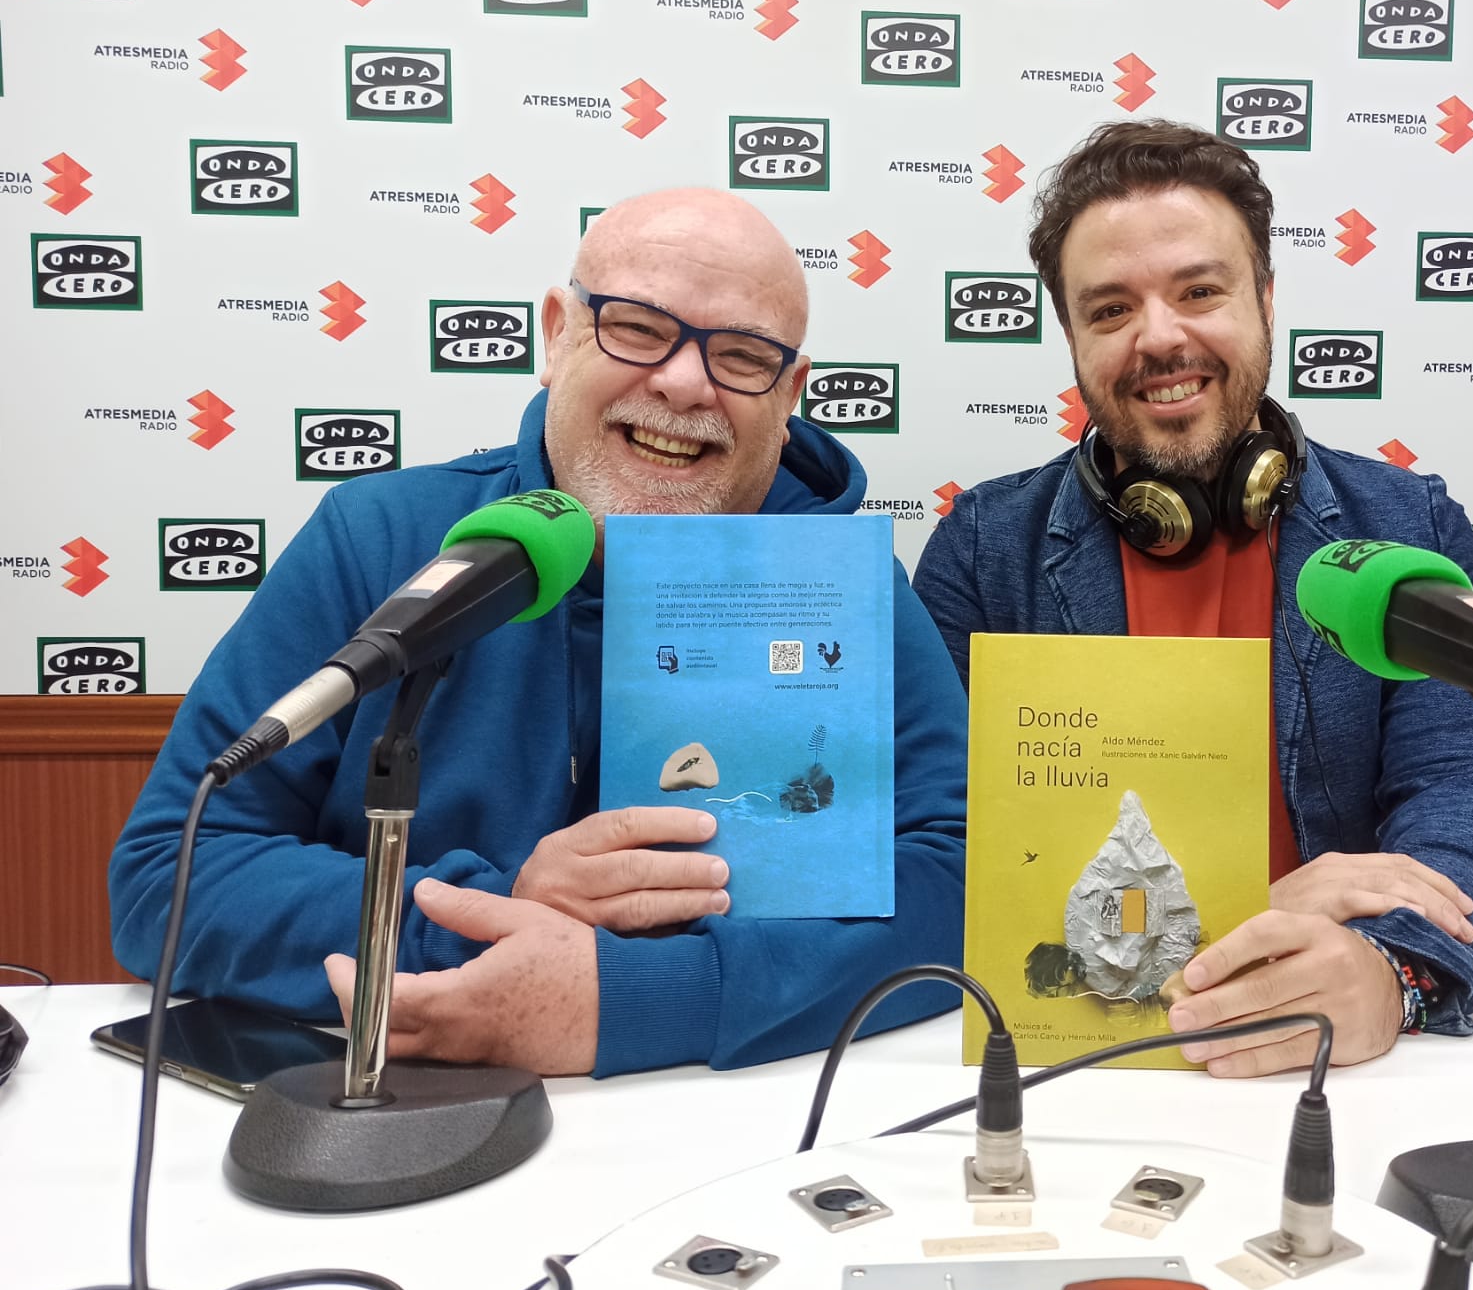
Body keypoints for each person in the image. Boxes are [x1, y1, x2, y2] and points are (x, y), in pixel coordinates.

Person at [109, 190, 969, 1076]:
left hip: (738, 1103)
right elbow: (168, 874)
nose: (683, 382)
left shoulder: (846, 587)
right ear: (557, 335)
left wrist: (639, 1000)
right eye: (638, 328)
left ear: (789, 394)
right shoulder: (378, 540)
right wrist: (490, 911)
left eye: (744, 356)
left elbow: (962, 874)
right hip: (415, 1095)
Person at [911, 121, 1473, 1079]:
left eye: (1200, 291)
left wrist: (1390, 969)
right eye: (1111, 309)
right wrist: (1252, 906)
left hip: (1324, 1058)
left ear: (1266, 300)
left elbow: (1462, 790)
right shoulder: (986, 549)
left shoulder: (1410, 528)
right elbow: (939, 847)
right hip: (1071, 1054)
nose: (1161, 337)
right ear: (1071, 336)